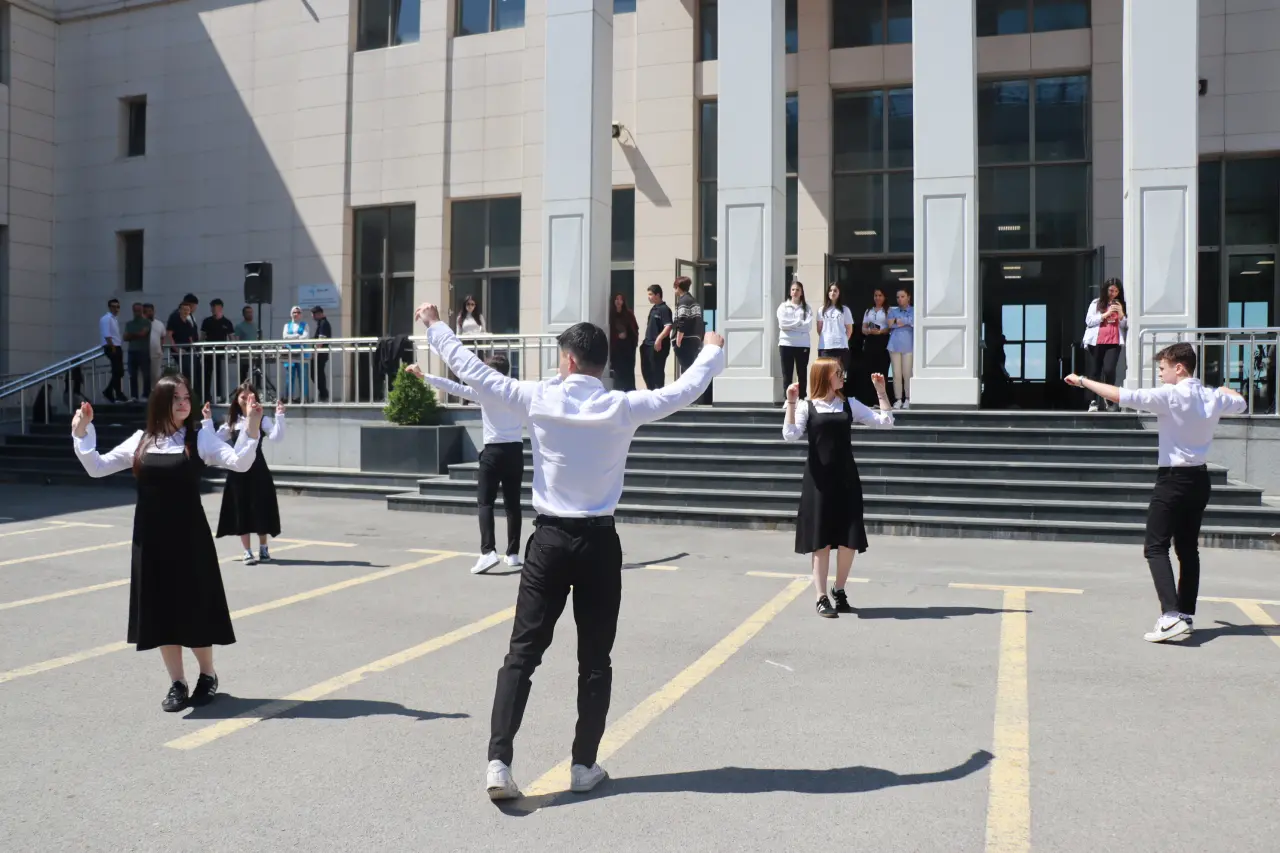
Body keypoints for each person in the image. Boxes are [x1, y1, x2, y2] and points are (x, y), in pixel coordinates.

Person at [413, 300, 725, 801]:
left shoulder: (540, 398)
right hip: (600, 542)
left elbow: (473, 371)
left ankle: (498, 762)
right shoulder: (621, 406)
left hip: (550, 541)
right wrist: (710, 351)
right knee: (595, 659)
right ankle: (583, 765)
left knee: (523, 652)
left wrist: (435, 327)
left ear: (571, 362)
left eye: (560, 358)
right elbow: (683, 390)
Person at [71, 376, 262, 711]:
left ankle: (207, 675)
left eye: (187, 398)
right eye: (176, 399)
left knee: (195, 606)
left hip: (190, 538)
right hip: (151, 538)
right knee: (161, 611)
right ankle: (177, 682)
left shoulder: (199, 437)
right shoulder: (142, 440)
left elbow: (240, 462)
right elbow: (97, 467)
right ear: (161, 402)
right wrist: (82, 433)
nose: (184, 404)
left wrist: (252, 427)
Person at [1065, 342, 1247, 643]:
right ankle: (1185, 613)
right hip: (1200, 481)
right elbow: (1239, 403)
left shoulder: (1171, 396)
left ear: (1179, 368)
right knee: (1188, 549)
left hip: (1173, 480)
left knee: (1155, 546)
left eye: (1162, 368)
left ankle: (1171, 615)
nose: (1160, 374)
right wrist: (1227, 392)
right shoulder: (1211, 396)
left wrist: (1082, 380)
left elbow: (1122, 395)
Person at [784, 358, 893, 618]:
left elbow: (886, 422)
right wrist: (790, 402)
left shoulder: (849, 404)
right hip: (818, 481)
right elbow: (790, 434)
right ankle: (821, 597)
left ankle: (839, 589)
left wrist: (881, 392)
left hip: (845, 478)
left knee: (848, 540)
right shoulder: (805, 407)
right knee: (820, 540)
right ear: (824, 377)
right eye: (837, 373)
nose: (842, 376)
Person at [408, 356, 526, 575]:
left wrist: (424, 376)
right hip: (515, 451)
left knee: (485, 503)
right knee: (513, 504)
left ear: (490, 372)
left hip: (493, 451)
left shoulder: (485, 391)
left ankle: (488, 552)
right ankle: (513, 554)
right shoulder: (517, 389)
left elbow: (454, 388)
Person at [215, 382, 286, 565]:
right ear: (237, 399)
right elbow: (214, 440)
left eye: (250, 396)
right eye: (243, 396)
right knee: (241, 507)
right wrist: (206, 422)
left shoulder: (261, 417)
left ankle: (263, 548)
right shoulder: (232, 421)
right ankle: (247, 551)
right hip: (237, 470)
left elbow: (277, 437)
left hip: (258, 469)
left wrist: (280, 415)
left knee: (260, 506)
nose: (247, 399)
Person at [1083, 278, 1128, 412]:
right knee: (1095, 371)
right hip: (1096, 341)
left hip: (1113, 341)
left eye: (1116, 291)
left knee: (1109, 370)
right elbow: (1089, 321)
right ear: (1105, 290)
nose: (1113, 293)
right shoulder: (1096, 303)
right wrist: (1105, 314)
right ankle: (1093, 401)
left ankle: (1109, 399)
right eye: (1110, 290)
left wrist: (1121, 314)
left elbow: (1125, 325)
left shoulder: (1121, 304)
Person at [777, 280, 813, 400]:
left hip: (802, 344)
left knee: (802, 373)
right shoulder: (783, 307)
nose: (795, 292)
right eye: (793, 289)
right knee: (787, 373)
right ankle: (788, 399)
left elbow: (807, 326)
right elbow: (782, 324)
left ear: (802, 292)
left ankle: (802, 397)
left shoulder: (807, 308)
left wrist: (791, 326)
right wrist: (798, 323)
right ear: (790, 292)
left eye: (798, 290)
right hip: (786, 343)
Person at [201, 298, 236, 404]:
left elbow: (232, 338)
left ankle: (219, 396)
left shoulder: (227, 322)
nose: (212, 310)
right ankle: (206, 396)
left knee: (219, 375)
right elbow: (202, 337)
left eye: (214, 307)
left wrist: (231, 349)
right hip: (208, 353)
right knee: (206, 375)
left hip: (220, 353)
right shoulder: (207, 321)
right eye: (211, 307)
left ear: (220, 308)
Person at [860, 289, 891, 406]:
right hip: (870, 341)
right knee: (869, 370)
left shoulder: (888, 310)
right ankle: (869, 399)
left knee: (882, 369)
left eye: (880, 295)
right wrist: (869, 331)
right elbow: (863, 328)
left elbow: (890, 327)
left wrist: (881, 331)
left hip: (882, 341)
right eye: (876, 295)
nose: (877, 298)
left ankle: (882, 400)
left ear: (884, 297)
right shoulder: (868, 311)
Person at [640, 284, 674, 390]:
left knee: (656, 372)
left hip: (657, 346)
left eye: (651, 294)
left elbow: (668, 326)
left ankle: (658, 393)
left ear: (657, 295)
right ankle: (650, 391)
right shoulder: (654, 309)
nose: (649, 297)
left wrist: (659, 339)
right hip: (648, 345)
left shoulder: (664, 309)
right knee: (647, 371)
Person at [816, 283, 854, 373]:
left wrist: (842, 339)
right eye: (830, 290)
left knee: (839, 374)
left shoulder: (845, 310)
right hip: (825, 346)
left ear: (839, 293)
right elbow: (819, 329)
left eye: (835, 290)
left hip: (840, 347)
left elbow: (849, 329)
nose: (832, 292)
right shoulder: (821, 310)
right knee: (825, 374)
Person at [887, 287, 915, 410]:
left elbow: (914, 321)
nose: (900, 299)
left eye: (902, 296)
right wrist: (906, 322)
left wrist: (900, 321)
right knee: (896, 374)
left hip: (908, 345)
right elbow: (889, 324)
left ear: (908, 297)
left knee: (907, 373)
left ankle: (908, 398)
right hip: (894, 345)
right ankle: (898, 399)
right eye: (898, 297)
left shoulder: (914, 310)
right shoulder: (893, 310)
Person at [672, 276, 704, 375]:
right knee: (692, 367)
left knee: (686, 369)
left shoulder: (683, 301)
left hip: (685, 340)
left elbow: (682, 320)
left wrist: (678, 338)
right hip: (694, 339)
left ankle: (688, 389)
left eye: (675, 287)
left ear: (678, 287)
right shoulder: (694, 301)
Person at [609, 293, 640, 392]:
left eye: (621, 299)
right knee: (618, 370)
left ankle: (630, 390)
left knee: (629, 370)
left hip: (628, 347)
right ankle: (619, 390)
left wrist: (628, 336)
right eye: (616, 299)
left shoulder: (628, 314)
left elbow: (635, 329)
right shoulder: (610, 314)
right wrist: (617, 336)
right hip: (616, 347)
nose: (618, 301)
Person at [123, 302, 152, 401]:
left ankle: (146, 394)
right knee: (132, 374)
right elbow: (125, 337)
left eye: (139, 310)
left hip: (143, 351)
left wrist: (132, 335)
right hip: (132, 351)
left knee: (146, 374)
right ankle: (134, 396)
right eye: (135, 310)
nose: (137, 312)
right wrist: (136, 334)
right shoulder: (129, 323)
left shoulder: (146, 322)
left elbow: (143, 333)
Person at [282, 306, 310, 403]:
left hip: (302, 354)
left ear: (301, 314)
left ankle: (304, 398)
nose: (296, 314)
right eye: (294, 312)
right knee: (289, 376)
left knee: (303, 376)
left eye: (298, 312)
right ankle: (289, 397)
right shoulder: (287, 325)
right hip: (290, 354)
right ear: (291, 314)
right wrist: (298, 336)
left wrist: (292, 338)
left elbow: (305, 337)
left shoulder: (305, 325)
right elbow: (285, 337)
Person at [99, 298, 125, 403]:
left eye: (118, 307)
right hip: (112, 346)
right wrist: (113, 348)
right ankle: (114, 393)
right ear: (109, 307)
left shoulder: (114, 319)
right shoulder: (106, 318)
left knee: (118, 371)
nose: (116, 309)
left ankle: (113, 392)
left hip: (117, 346)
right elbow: (107, 335)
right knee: (117, 371)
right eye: (113, 307)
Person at [310, 306, 333, 402]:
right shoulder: (322, 323)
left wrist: (314, 353)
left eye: (314, 314)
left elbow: (321, 340)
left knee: (317, 374)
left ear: (318, 314)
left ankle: (324, 394)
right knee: (317, 374)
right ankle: (323, 393)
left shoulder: (323, 324)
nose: (313, 317)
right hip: (320, 353)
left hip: (320, 354)